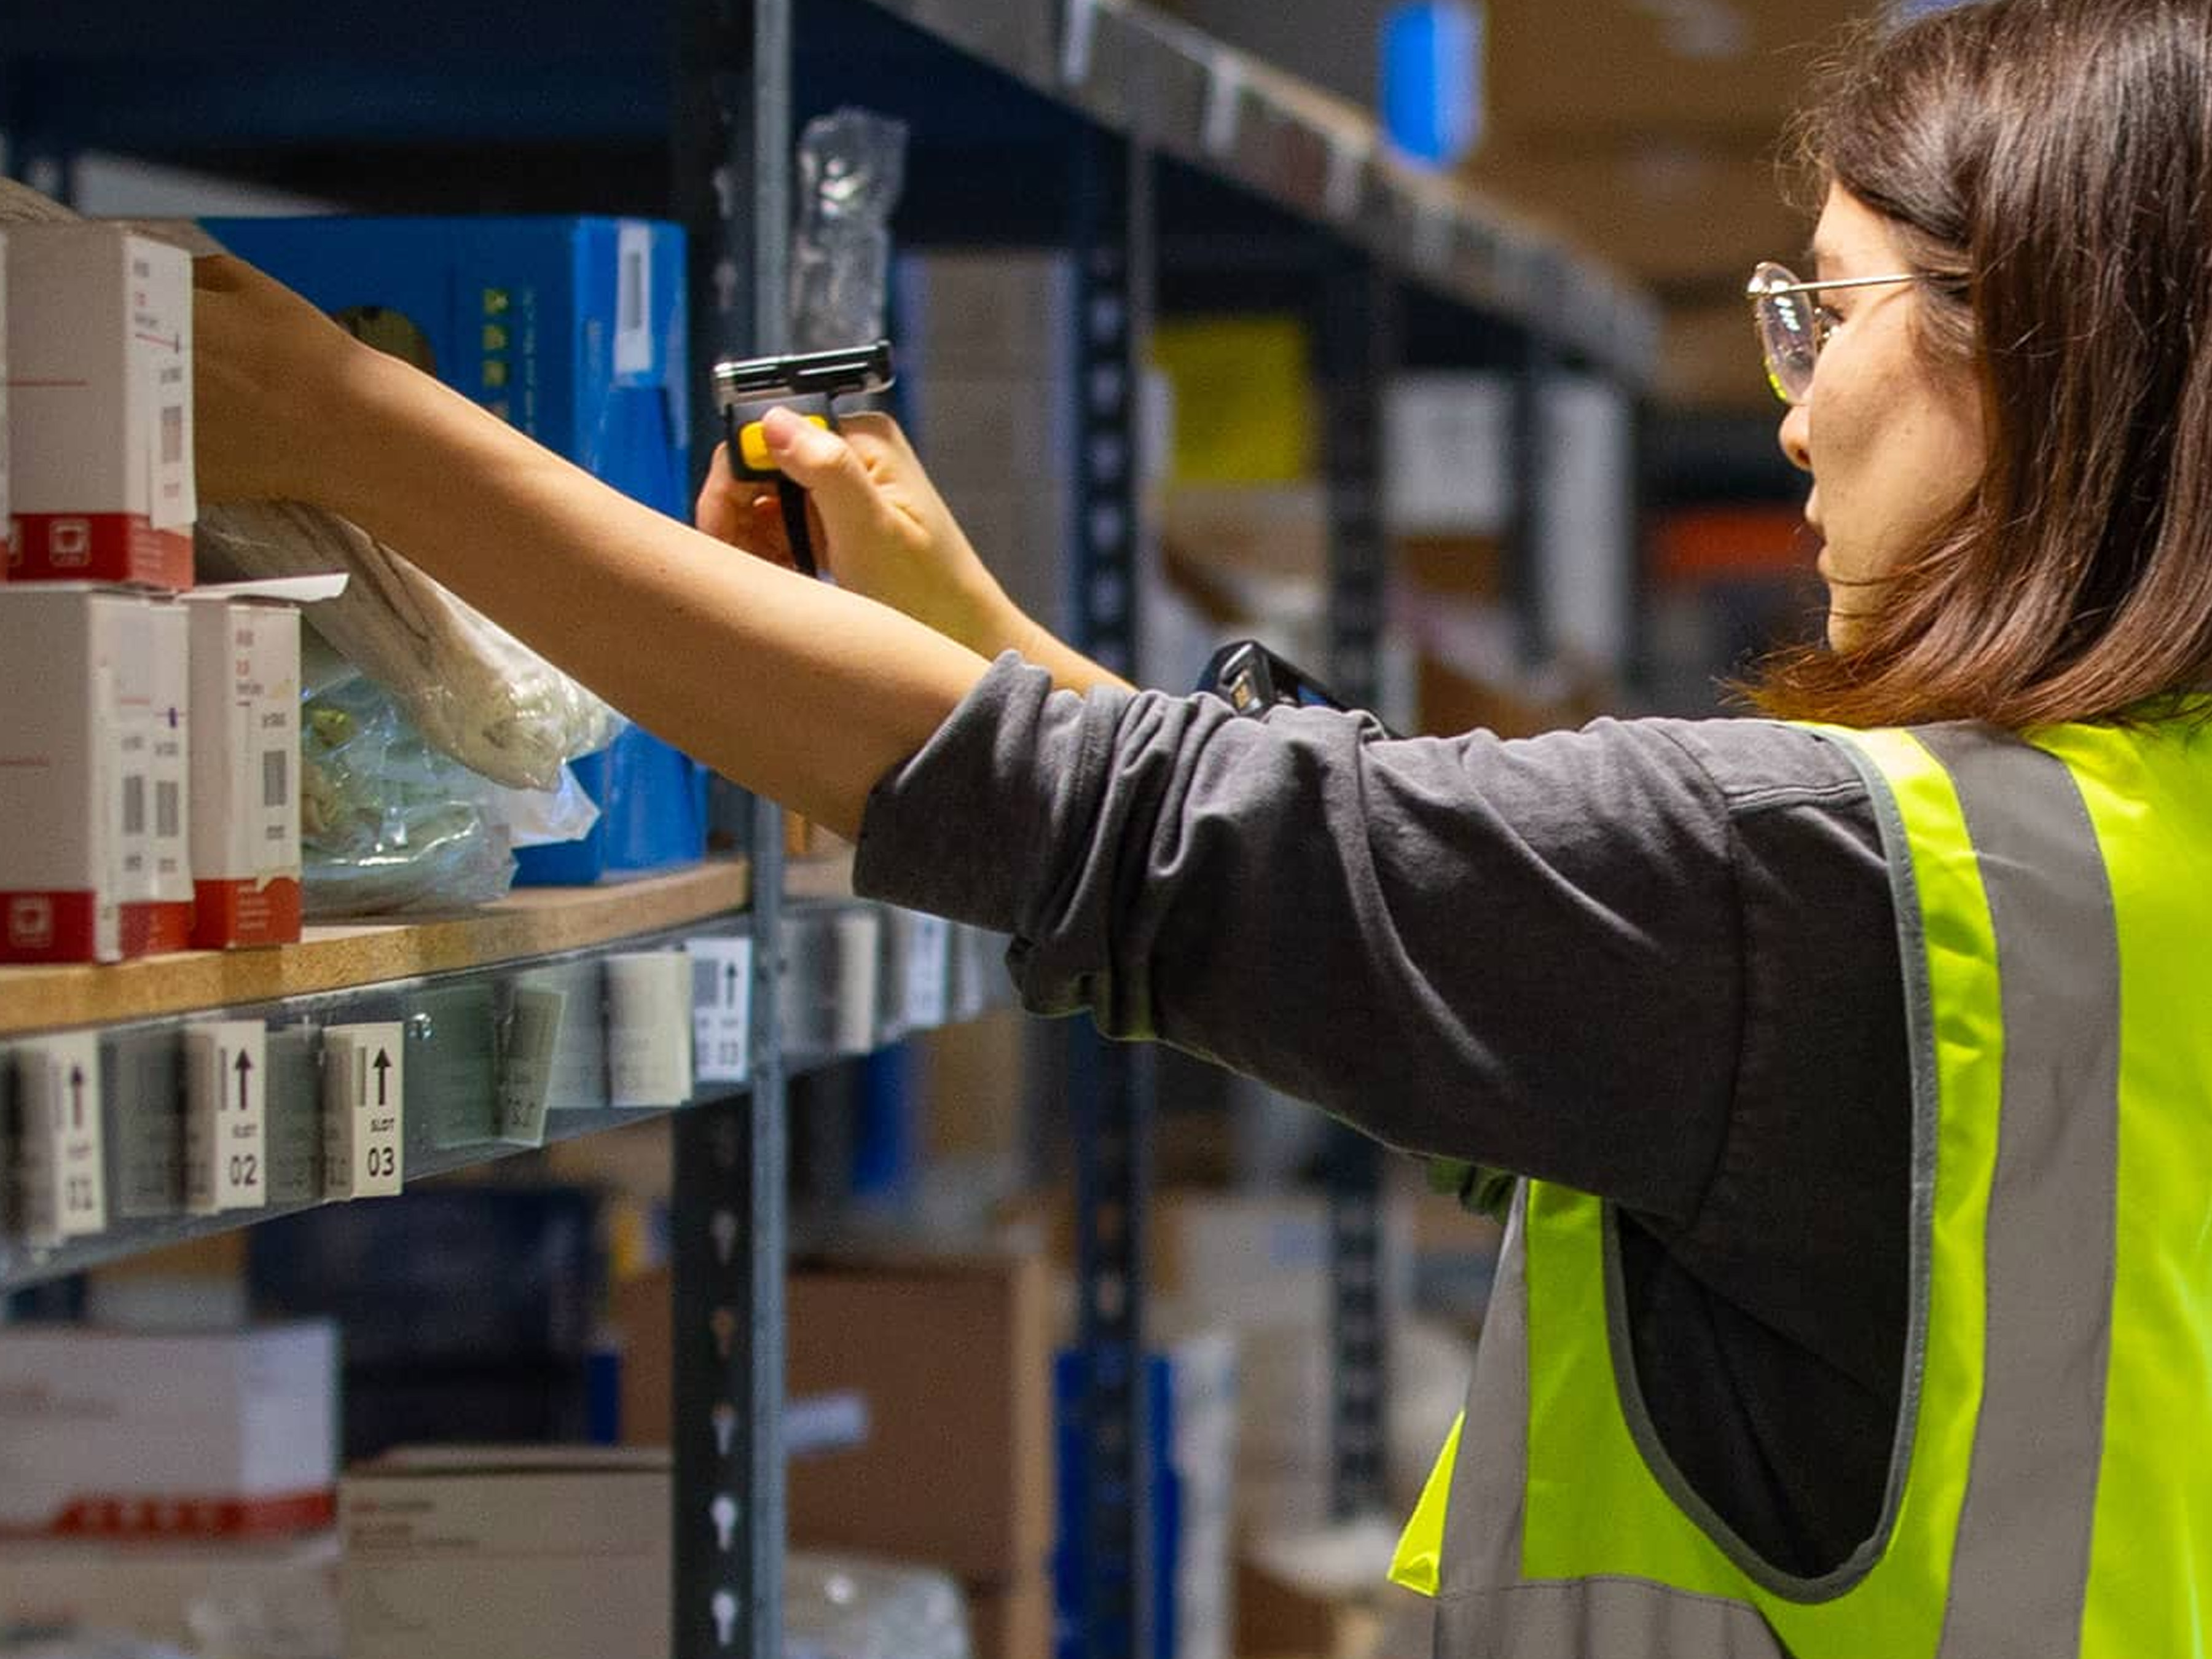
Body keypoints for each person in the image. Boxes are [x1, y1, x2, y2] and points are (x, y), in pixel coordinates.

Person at [190, 0, 2212, 1650]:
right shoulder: (2120, 858)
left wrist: (343, 426)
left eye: (1824, 314)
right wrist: (979, 643)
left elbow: (1137, 844)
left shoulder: (1852, 880)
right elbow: (1299, 880)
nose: (1788, 404)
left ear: (2033, 348)